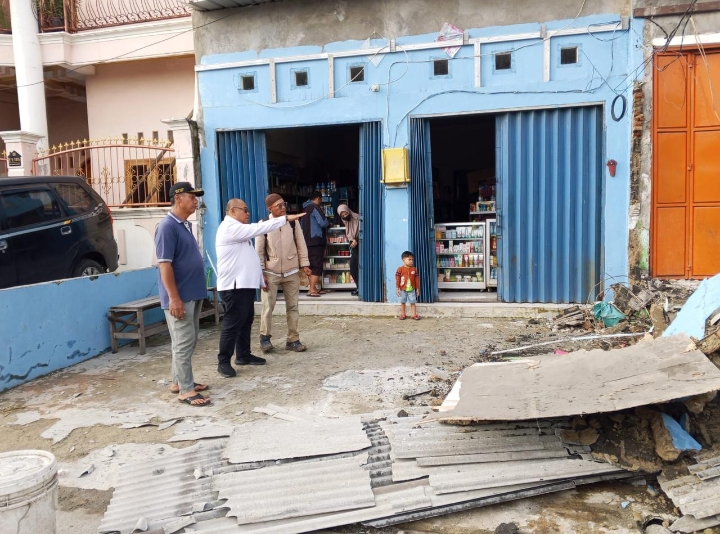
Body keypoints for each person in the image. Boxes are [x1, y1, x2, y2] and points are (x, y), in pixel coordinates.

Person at [215, 199, 307, 377]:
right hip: (234, 286)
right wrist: (285, 219)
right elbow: (259, 229)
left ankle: (243, 354)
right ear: (232, 211)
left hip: (245, 284)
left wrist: (259, 278)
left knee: (246, 321)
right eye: (244, 210)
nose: (248, 213)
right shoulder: (230, 228)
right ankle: (223, 362)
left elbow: (249, 258)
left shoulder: (239, 229)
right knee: (232, 324)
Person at [155, 181, 211, 407]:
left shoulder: (184, 225)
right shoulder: (167, 227)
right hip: (180, 296)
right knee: (184, 342)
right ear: (178, 198)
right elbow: (164, 265)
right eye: (191, 196)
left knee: (186, 340)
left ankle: (179, 382)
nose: (195, 201)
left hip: (191, 293)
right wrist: (174, 298)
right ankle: (186, 390)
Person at [256, 193, 312, 353]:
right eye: (279, 205)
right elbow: (259, 251)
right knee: (268, 306)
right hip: (270, 272)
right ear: (270, 208)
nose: (283, 208)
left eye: (284, 204)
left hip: (291, 270)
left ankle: (293, 339)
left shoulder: (293, 223)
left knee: (293, 306)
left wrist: (305, 264)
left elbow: (301, 244)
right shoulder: (263, 225)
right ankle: (265, 337)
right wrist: (260, 274)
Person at [301, 190, 330, 297]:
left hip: (307, 240)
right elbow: (323, 222)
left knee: (312, 265)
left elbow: (301, 226)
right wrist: (329, 223)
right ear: (318, 198)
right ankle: (312, 289)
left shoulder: (305, 209)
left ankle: (313, 287)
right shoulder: (314, 207)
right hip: (316, 240)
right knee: (317, 265)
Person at [337, 204, 360, 297]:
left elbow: (362, 230)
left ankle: (361, 288)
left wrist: (357, 239)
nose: (344, 216)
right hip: (353, 245)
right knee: (353, 267)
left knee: (356, 265)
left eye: (345, 213)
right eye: (342, 215)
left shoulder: (357, 218)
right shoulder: (345, 221)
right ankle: (359, 287)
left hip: (361, 243)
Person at [395, 251, 421, 320]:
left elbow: (417, 279)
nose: (411, 261)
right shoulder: (400, 269)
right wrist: (397, 288)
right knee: (402, 302)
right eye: (409, 259)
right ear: (404, 260)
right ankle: (403, 314)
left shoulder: (414, 269)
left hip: (412, 289)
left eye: (412, 260)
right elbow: (397, 279)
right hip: (402, 289)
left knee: (413, 302)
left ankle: (414, 314)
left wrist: (417, 289)